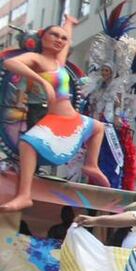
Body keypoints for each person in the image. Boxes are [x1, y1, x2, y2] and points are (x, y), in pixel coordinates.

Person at [1, 17, 110, 212]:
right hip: (55, 119)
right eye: (54, 35)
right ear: (42, 37)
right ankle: (24, 195)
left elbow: (66, 39)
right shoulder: (36, 59)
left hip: (72, 118)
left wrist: (69, 23)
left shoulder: (59, 62)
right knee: (27, 143)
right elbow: (11, 63)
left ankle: (91, 165)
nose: (59, 40)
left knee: (98, 127)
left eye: (63, 38)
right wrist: (41, 80)